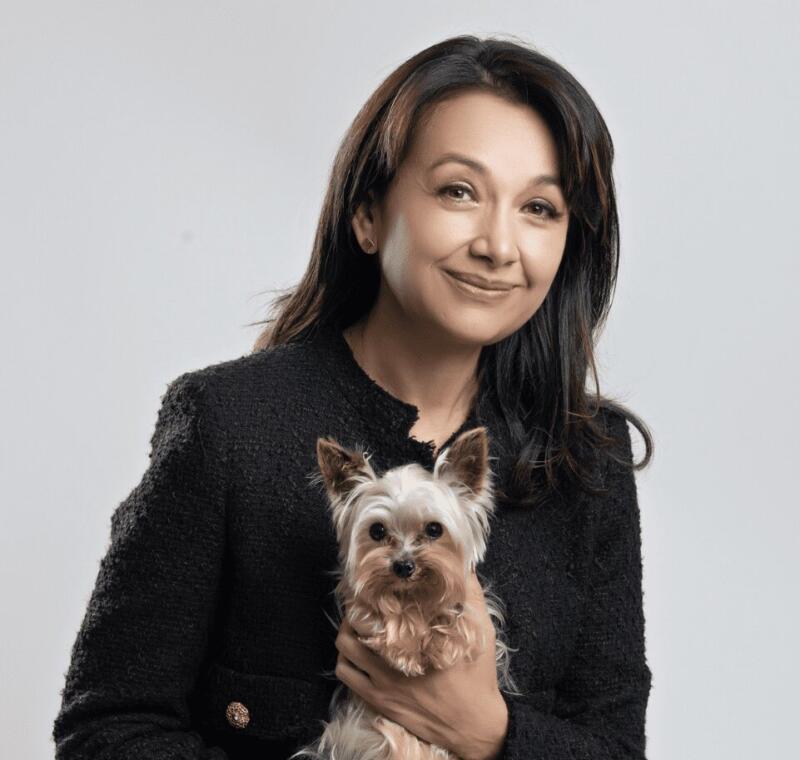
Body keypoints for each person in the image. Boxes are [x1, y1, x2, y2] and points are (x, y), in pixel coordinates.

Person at [52, 34, 654, 760]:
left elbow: (616, 749)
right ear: (368, 214)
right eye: (459, 191)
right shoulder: (227, 426)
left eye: (539, 207)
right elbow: (105, 733)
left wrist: (488, 732)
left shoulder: (588, 457)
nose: (499, 245)